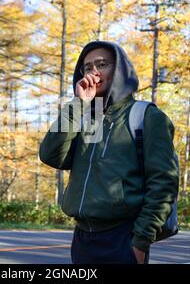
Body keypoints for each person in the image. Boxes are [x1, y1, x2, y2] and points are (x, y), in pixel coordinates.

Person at [39, 41, 179, 264]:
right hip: (83, 239)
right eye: (87, 67)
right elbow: (50, 155)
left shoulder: (146, 116)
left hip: (123, 238)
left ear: (120, 69)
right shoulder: (86, 117)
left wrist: (140, 242)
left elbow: (164, 184)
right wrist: (78, 104)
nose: (94, 72)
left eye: (102, 64)